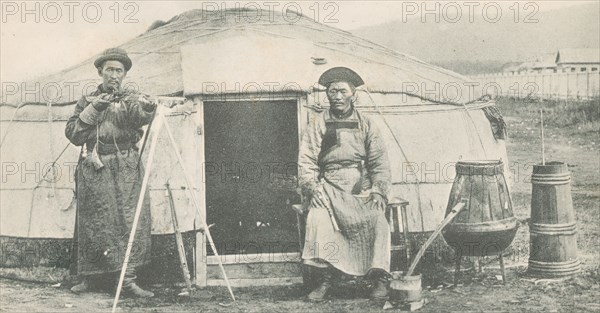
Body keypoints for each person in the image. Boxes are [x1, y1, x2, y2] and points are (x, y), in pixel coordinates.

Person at [65, 48, 156, 297]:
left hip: (126, 166)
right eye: (109, 70)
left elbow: (140, 116)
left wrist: (147, 107)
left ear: (125, 74)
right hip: (95, 164)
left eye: (119, 70)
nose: (114, 75)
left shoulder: (130, 99)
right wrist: (94, 108)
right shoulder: (86, 101)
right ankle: (89, 279)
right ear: (100, 72)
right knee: (93, 221)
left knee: (130, 219)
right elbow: (73, 134)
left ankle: (128, 280)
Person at [298, 67, 392, 301]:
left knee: (378, 219)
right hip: (328, 186)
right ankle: (325, 281)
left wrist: (379, 190)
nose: (337, 96)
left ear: (353, 95)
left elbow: (379, 161)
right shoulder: (318, 123)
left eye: (342, 91)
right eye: (332, 92)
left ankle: (378, 279)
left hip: (360, 187)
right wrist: (312, 188)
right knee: (317, 219)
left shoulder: (366, 123)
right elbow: (306, 159)